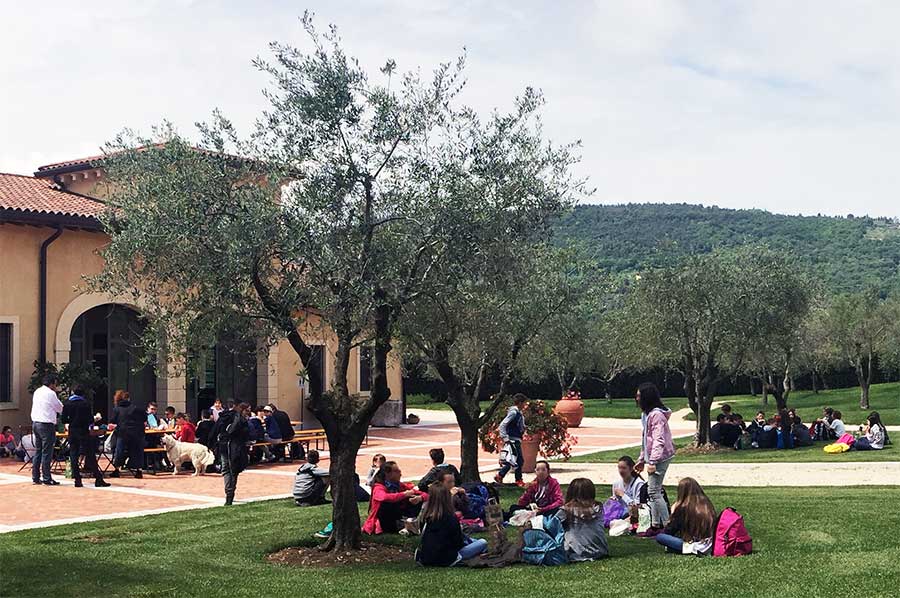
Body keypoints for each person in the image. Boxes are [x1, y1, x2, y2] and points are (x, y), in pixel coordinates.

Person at [635, 382, 675, 535]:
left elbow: (658, 440)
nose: (637, 398)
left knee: (654, 492)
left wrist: (652, 461)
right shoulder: (647, 415)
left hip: (661, 457)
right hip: (653, 457)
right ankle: (656, 525)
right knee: (653, 491)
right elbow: (646, 439)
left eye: (639, 395)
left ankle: (667, 526)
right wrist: (642, 459)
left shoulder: (657, 415)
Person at [415, 482, 487, 566]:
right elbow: (458, 543)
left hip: (426, 558)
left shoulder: (425, 517)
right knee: (483, 542)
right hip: (448, 558)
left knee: (472, 540)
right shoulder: (450, 518)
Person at [61, 385, 110, 488]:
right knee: (90, 454)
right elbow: (90, 420)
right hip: (83, 431)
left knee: (73, 454)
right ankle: (98, 478)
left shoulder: (68, 403)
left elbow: (64, 419)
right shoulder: (85, 404)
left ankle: (77, 479)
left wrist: (71, 421)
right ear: (83, 394)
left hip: (72, 431)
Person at [655, 477, 717, 556]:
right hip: (709, 542)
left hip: (694, 545)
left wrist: (673, 513)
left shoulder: (683, 508)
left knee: (660, 537)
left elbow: (669, 531)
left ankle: (687, 549)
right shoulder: (706, 504)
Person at [362, 461, 427, 535]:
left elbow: (425, 495)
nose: (400, 473)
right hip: (385, 519)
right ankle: (405, 526)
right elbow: (383, 497)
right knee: (387, 503)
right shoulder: (379, 487)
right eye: (396, 471)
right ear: (387, 474)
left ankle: (410, 523)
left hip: (398, 515)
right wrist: (404, 494)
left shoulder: (399, 485)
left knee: (413, 498)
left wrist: (420, 498)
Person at [555, 478, 609, 562]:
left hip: (576, 554)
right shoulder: (598, 507)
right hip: (600, 551)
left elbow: (551, 525)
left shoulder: (566, 510)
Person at [212, 400, 250, 506]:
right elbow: (247, 434)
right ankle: (230, 494)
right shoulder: (240, 419)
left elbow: (215, 430)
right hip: (235, 447)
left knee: (226, 470)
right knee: (233, 470)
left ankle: (229, 494)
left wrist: (212, 444)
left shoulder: (224, 416)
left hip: (224, 446)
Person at [30, 374, 63, 486]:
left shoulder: (37, 391)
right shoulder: (51, 393)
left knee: (38, 451)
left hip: (36, 423)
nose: (55, 386)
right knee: (47, 452)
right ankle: (47, 477)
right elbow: (59, 408)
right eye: (55, 383)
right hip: (46, 424)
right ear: (51, 384)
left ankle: (35, 477)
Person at [109, 390, 146, 478]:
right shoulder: (136, 408)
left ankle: (117, 469)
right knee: (137, 451)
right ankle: (139, 471)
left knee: (119, 450)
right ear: (128, 399)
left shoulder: (117, 409)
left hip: (123, 433)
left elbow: (112, 422)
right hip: (137, 433)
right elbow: (144, 418)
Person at [494, 393, 527, 487]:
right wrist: (505, 438)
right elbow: (503, 425)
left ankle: (501, 475)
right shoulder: (514, 413)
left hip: (516, 439)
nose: (525, 405)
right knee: (518, 460)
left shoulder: (518, 413)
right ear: (520, 403)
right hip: (513, 440)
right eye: (524, 403)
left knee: (512, 459)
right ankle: (518, 479)